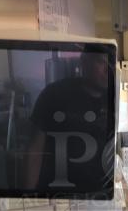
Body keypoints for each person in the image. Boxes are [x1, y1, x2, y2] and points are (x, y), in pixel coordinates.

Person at [25, 50, 115, 195]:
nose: (108, 70)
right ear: (84, 62)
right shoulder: (54, 94)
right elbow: (35, 149)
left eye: (111, 64)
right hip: (56, 195)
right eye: (101, 62)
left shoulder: (117, 98)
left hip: (102, 198)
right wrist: (27, 197)